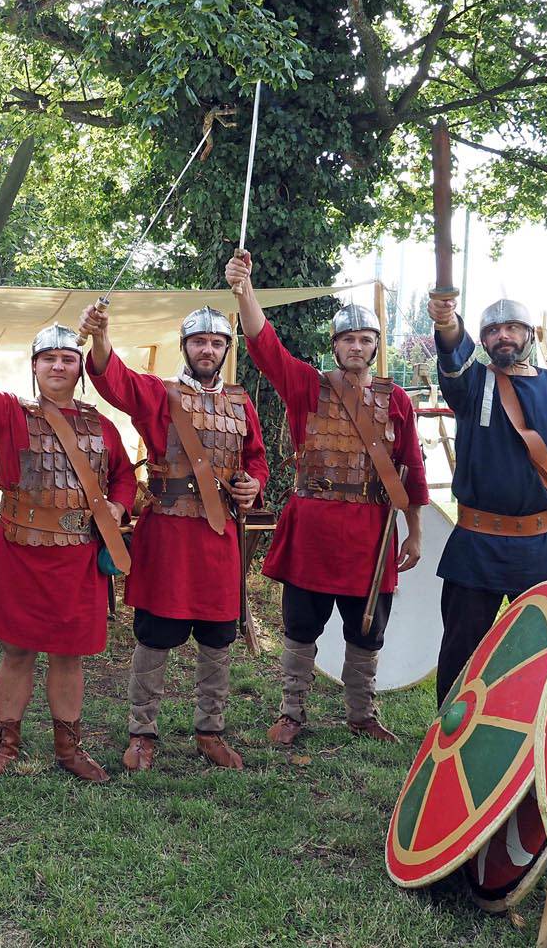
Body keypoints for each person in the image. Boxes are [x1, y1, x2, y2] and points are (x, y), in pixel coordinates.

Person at [227, 249, 428, 745]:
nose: (356, 346)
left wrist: (415, 533)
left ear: (376, 346)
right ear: (334, 345)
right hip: (313, 529)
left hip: (370, 532)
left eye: (365, 339)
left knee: (367, 631)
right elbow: (263, 344)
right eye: (348, 339)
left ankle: (361, 714)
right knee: (300, 627)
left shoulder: (396, 399)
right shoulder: (307, 387)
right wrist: (244, 291)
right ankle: (292, 712)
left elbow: (413, 471)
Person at [0, 320, 138, 782]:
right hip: (22, 554)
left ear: (80, 368)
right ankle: (5, 743)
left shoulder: (101, 426)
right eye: (50, 358)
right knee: (17, 652)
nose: (59, 366)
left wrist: (118, 504)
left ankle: (69, 748)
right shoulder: (11, 414)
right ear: (35, 367)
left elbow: (124, 475)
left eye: (68, 359)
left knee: (70, 656)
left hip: (78, 557)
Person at [79, 298, 268, 771]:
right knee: (155, 636)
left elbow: (257, 459)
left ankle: (210, 730)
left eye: (217, 342)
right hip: (167, 536)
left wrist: (253, 484)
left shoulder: (240, 402)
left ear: (227, 348)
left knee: (218, 638)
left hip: (219, 538)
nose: (208, 349)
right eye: (200, 341)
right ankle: (142, 733)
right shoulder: (159, 394)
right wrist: (101, 336)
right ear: (185, 346)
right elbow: (113, 380)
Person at [427, 294, 547, 704]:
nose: (503, 336)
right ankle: (450, 739)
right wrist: (448, 320)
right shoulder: (471, 384)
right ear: (483, 341)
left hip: (543, 546)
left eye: (511, 328)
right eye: (492, 331)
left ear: (529, 334)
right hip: (477, 545)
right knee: (461, 652)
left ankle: (539, 737)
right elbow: (452, 353)